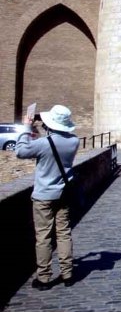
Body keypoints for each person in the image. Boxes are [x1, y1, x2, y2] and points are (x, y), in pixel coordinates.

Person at [15, 105, 80, 290]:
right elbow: (55, 144)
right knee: (64, 232)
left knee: (43, 236)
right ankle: (67, 274)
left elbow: (20, 151)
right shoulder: (74, 141)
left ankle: (44, 277)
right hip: (64, 193)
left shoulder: (44, 144)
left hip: (44, 195)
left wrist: (26, 129)